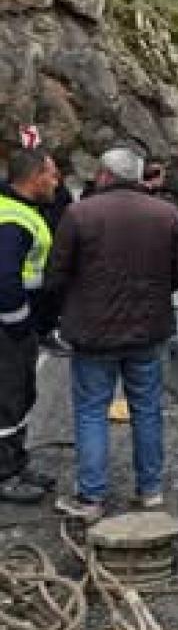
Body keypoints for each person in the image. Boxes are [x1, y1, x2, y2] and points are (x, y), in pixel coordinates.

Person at [46, 148, 178, 521]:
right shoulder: (166, 214)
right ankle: (151, 491)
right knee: (147, 410)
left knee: (92, 411)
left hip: (92, 332)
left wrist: (66, 308)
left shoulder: (79, 213)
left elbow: (57, 275)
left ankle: (91, 499)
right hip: (149, 330)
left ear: (104, 175)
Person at [0, 146, 60, 503]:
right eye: (52, 174)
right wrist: (20, 323)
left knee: (19, 395)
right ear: (36, 176)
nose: (57, 182)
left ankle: (15, 464)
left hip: (14, 325)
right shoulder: (14, 220)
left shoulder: (22, 211)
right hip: (7, 329)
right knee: (7, 399)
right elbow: (5, 279)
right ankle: (5, 475)